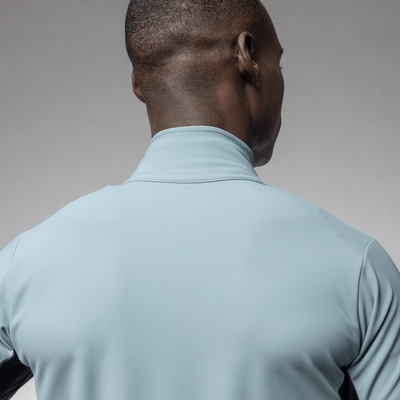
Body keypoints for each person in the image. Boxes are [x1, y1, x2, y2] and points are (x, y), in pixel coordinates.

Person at [1, 0, 399, 399]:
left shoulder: (22, 268)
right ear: (247, 56)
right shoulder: (357, 268)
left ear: (138, 82)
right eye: (278, 62)